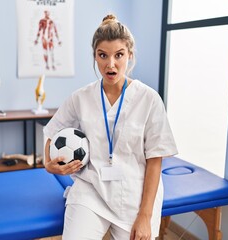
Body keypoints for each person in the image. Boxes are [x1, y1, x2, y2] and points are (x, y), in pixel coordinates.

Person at [43, 14, 178, 240]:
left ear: (130, 56)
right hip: (91, 190)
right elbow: (51, 131)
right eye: (102, 55)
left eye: (119, 55)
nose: (110, 64)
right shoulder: (81, 97)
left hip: (134, 197)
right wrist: (49, 164)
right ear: (95, 56)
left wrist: (145, 216)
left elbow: (155, 160)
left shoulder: (149, 99)